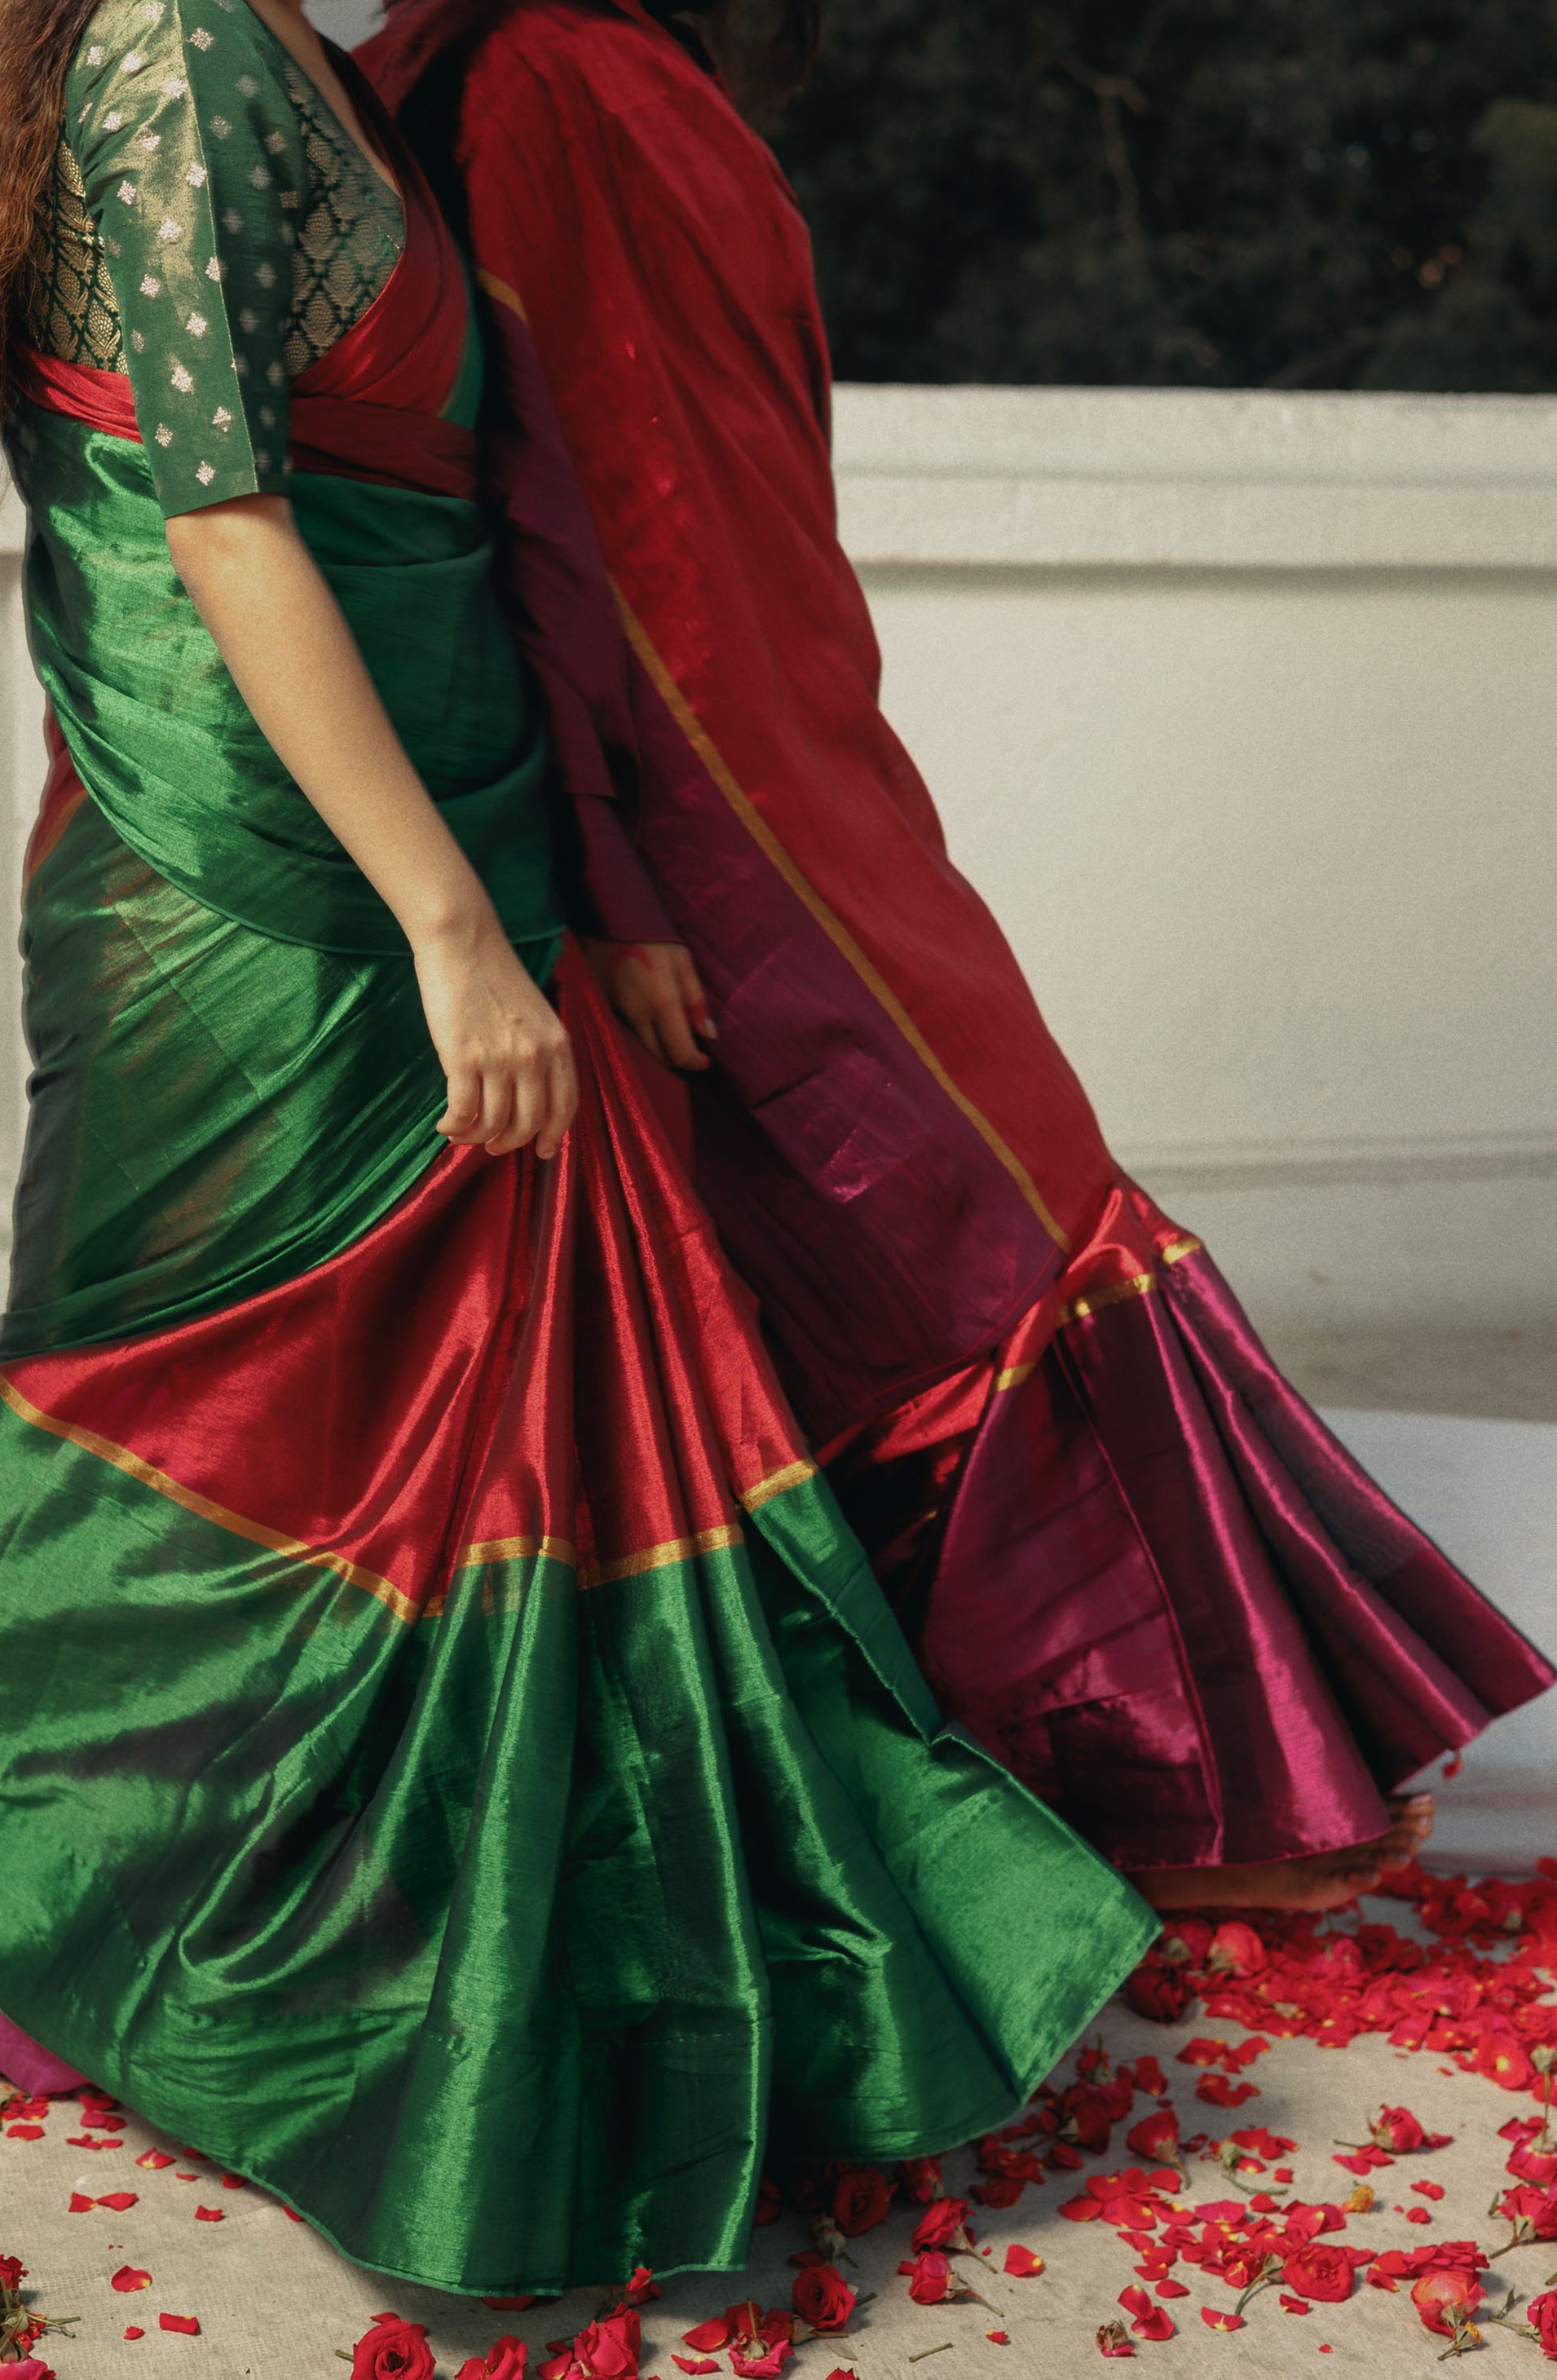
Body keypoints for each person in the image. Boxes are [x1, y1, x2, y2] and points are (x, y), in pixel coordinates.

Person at [0, 0, 1159, 2295]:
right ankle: (122, 1916)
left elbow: (475, 503)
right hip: (278, 893)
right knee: (236, 1427)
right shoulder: (173, 49)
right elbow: (222, 520)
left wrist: (567, 893)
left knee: (464, 1457)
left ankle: (414, 1961)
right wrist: (447, 929)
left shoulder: (316, 61)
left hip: (447, 839)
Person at [359, 0, 1555, 1914]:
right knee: (968, 1208)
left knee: (950, 1207)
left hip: (793, 736)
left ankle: (1087, 1774)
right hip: (700, 793)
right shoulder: (535, 83)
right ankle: (1130, 1783)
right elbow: (574, 510)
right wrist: (619, 872)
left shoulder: (619, 70)